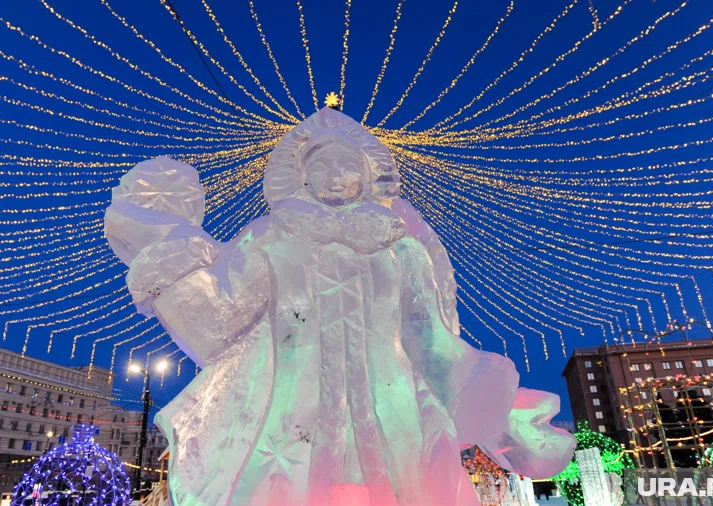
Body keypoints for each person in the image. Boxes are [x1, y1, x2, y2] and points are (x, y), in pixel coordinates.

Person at [105, 108, 576, 506]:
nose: (334, 175)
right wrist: (167, 247)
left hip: (394, 409)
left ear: (368, 173)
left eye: (346, 164)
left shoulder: (401, 248)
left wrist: (495, 408)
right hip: (291, 413)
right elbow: (219, 323)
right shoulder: (270, 238)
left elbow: (428, 335)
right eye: (322, 164)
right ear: (300, 175)